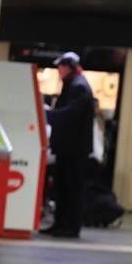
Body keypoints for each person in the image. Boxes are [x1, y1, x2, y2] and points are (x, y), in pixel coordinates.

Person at [44, 52, 95, 238]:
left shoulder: (79, 86)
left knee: (71, 189)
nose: (58, 70)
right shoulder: (75, 83)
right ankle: (60, 224)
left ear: (69, 66)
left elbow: (70, 114)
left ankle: (70, 227)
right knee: (63, 187)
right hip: (69, 148)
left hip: (74, 149)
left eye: (61, 66)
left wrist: (48, 115)